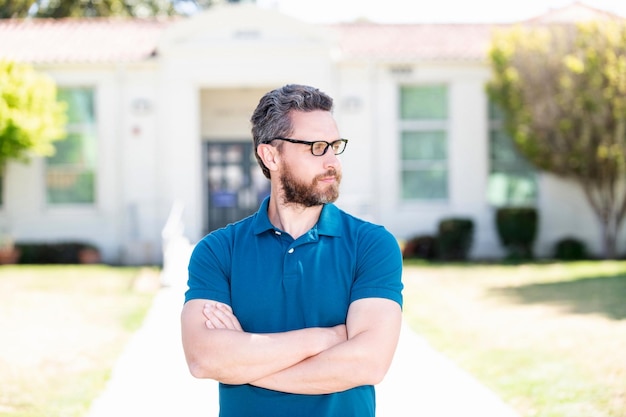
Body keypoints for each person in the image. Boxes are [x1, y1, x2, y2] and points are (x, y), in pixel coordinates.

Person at [181, 84, 403, 417]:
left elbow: (368, 364)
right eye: (316, 147)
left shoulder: (371, 245)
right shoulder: (218, 251)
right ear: (271, 155)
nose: (332, 162)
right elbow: (203, 360)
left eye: (335, 146)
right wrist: (323, 338)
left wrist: (245, 365)